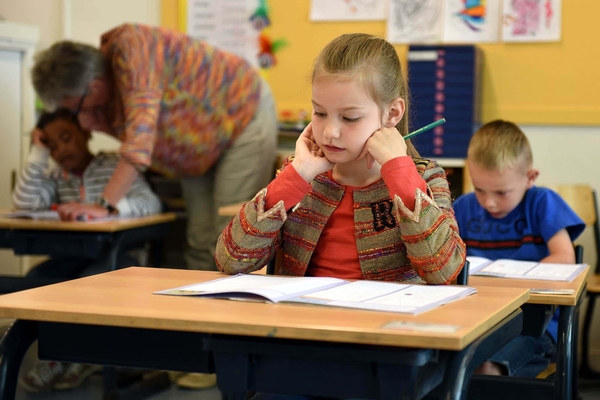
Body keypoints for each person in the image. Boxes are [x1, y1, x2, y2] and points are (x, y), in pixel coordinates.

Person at [31, 23, 278, 389]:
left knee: (236, 242)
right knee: (199, 244)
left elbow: (141, 136)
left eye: (72, 106)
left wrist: (105, 204)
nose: (74, 115)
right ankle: (201, 350)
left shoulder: (132, 47)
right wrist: (87, 118)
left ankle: (238, 356)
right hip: (194, 148)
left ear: (93, 87)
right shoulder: (98, 97)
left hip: (242, 119)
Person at [215, 32, 466, 285]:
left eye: (350, 118)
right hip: (306, 317)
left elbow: (442, 271)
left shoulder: (425, 178)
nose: (329, 132)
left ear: (392, 113)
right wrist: (298, 172)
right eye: (320, 112)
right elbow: (232, 259)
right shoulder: (302, 176)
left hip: (385, 321)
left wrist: (398, 170)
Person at [12, 108, 162, 393]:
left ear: (85, 133)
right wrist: (37, 155)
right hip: (73, 255)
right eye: (51, 145)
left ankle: (73, 357)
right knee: (38, 280)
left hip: (119, 257)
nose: (61, 149)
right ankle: (59, 355)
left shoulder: (114, 166)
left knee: (91, 285)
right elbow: (24, 204)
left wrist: (107, 210)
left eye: (66, 138)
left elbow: (151, 203)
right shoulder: (56, 175)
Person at [453, 119, 585, 377]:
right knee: (441, 361)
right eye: (480, 189)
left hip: (535, 325)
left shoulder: (542, 202)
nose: (489, 202)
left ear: (530, 178)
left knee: (485, 368)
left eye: (502, 192)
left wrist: (506, 281)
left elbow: (565, 257)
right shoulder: (465, 206)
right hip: (477, 319)